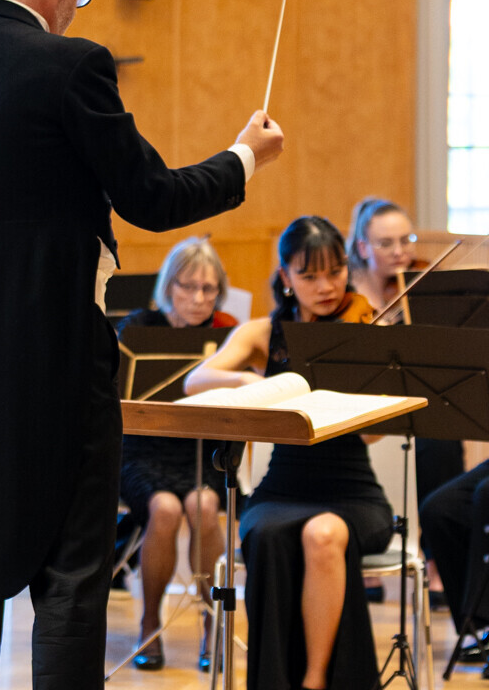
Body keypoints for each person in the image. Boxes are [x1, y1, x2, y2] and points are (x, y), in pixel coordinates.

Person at [0, 0, 284, 687]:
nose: (77, 5)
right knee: (70, 576)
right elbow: (151, 199)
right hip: (52, 362)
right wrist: (243, 157)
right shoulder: (71, 66)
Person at [184, 216, 390, 690]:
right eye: (309, 275)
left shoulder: (366, 326)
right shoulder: (264, 332)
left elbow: (375, 438)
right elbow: (197, 380)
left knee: (323, 534)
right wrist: (249, 380)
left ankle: (315, 680)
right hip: (281, 489)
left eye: (335, 271)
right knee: (268, 536)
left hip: (353, 492)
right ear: (286, 277)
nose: (326, 286)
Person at [116, 237, 237, 672]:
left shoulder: (226, 335)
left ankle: (211, 623)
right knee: (164, 509)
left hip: (202, 452)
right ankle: (150, 621)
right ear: (169, 286)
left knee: (204, 505)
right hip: (140, 452)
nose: (200, 299)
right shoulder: (137, 328)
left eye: (210, 290)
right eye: (189, 287)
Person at [347, 197, 462, 610]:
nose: (400, 252)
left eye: (405, 240)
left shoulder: (424, 289)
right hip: (360, 410)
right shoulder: (343, 295)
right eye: (386, 243)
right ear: (362, 247)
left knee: (441, 442)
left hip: (415, 404)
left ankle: (434, 561)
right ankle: (368, 556)